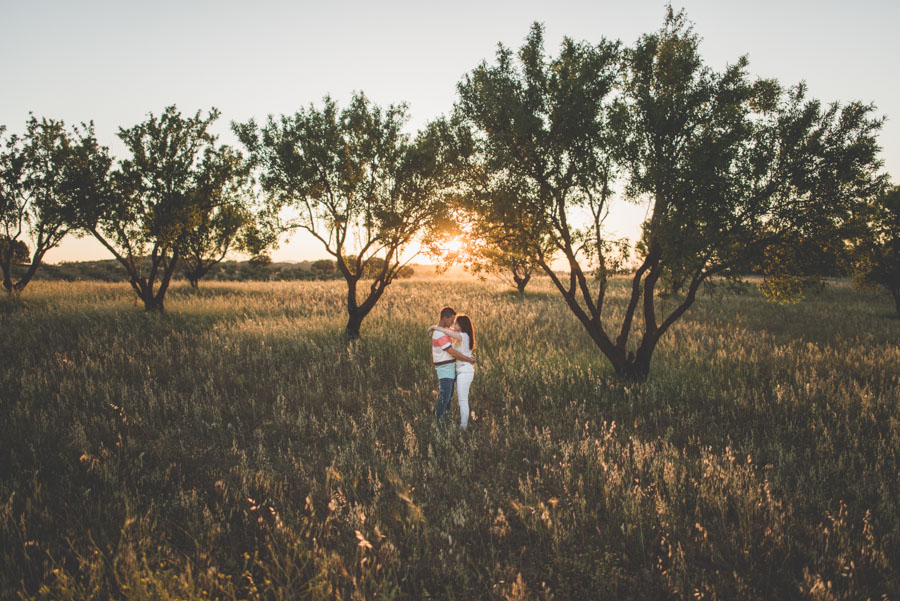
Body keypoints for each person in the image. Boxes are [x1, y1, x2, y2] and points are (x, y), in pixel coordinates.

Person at [429, 313, 476, 429]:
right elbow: (448, 330)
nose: (454, 325)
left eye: (456, 323)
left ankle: (463, 427)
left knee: (463, 401)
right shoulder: (461, 335)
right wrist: (438, 327)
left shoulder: (463, 336)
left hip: (465, 371)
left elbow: (447, 331)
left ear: (462, 325)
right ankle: (460, 425)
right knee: (461, 400)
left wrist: (434, 327)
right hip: (461, 371)